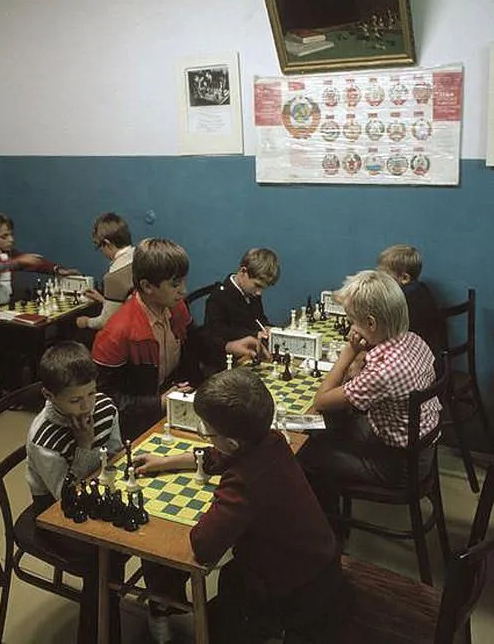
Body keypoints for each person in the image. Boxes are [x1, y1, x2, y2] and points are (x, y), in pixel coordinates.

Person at [134, 369, 342, 644]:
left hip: (297, 590)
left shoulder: (244, 482)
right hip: (321, 562)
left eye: (207, 431)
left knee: (218, 616)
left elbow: (203, 545)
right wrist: (164, 462)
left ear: (231, 442)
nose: (206, 436)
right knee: (230, 583)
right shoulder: (271, 441)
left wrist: (217, 503)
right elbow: (216, 457)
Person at [298, 270, 441, 530]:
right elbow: (358, 376)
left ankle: (329, 533)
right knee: (329, 428)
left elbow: (321, 400)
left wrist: (350, 350)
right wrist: (359, 358)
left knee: (304, 453)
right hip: (417, 448)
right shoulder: (413, 339)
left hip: (398, 465)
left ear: (371, 324)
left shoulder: (384, 372)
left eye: (353, 321)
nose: (351, 327)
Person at [92, 238, 264, 440]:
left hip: (178, 404)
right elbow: (103, 399)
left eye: (183, 281)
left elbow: (195, 342)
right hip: (140, 424)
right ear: (147, 286)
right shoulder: (117, 333)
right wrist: (158, 403)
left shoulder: (176, 307)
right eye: (175, 284)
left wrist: (229, 346)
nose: (184, 290)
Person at [26, 342, 123, 644]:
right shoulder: (42, 438)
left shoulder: (104, 407)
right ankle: (98, 632)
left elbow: (116, 454)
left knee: (142, 532)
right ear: (49, 395)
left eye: (91, 393)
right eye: (75, 400)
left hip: (97, 489)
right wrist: (84, 445)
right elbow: (65, 500)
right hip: (54, 512)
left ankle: (145, 611)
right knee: (105, 557)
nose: (87, 405)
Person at [0, 211, 75, 314]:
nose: (11, 239)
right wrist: (16, 262)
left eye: (11, 234)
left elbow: (33, 263)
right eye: (4, 236)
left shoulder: (10, 253)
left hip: (3, 309)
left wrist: (57, 269)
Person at [204, 247, 280, 368]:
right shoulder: (219, 297)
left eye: (263, 288)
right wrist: (255, 334)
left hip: (252, 352)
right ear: (243, 271)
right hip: (227, 361)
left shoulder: (252, 293)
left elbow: (259, 319)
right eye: (257, 285)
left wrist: (267, 327)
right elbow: (217, 332)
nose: (259, 292)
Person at [377, 243, 441, 357]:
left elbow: (387, 332)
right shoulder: (421, 289)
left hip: (417, 357)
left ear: (405, 278)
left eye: (384, 276)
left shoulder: (404, 299)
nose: (379, 280)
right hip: (428, 353)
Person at [76, 212, 134, 332]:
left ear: (107, 243)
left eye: (99, 246)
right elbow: (129, 304)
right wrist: (103, 300)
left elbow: (106, 322)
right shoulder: (141, 256)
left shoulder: (114, 277)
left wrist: (86, 322)